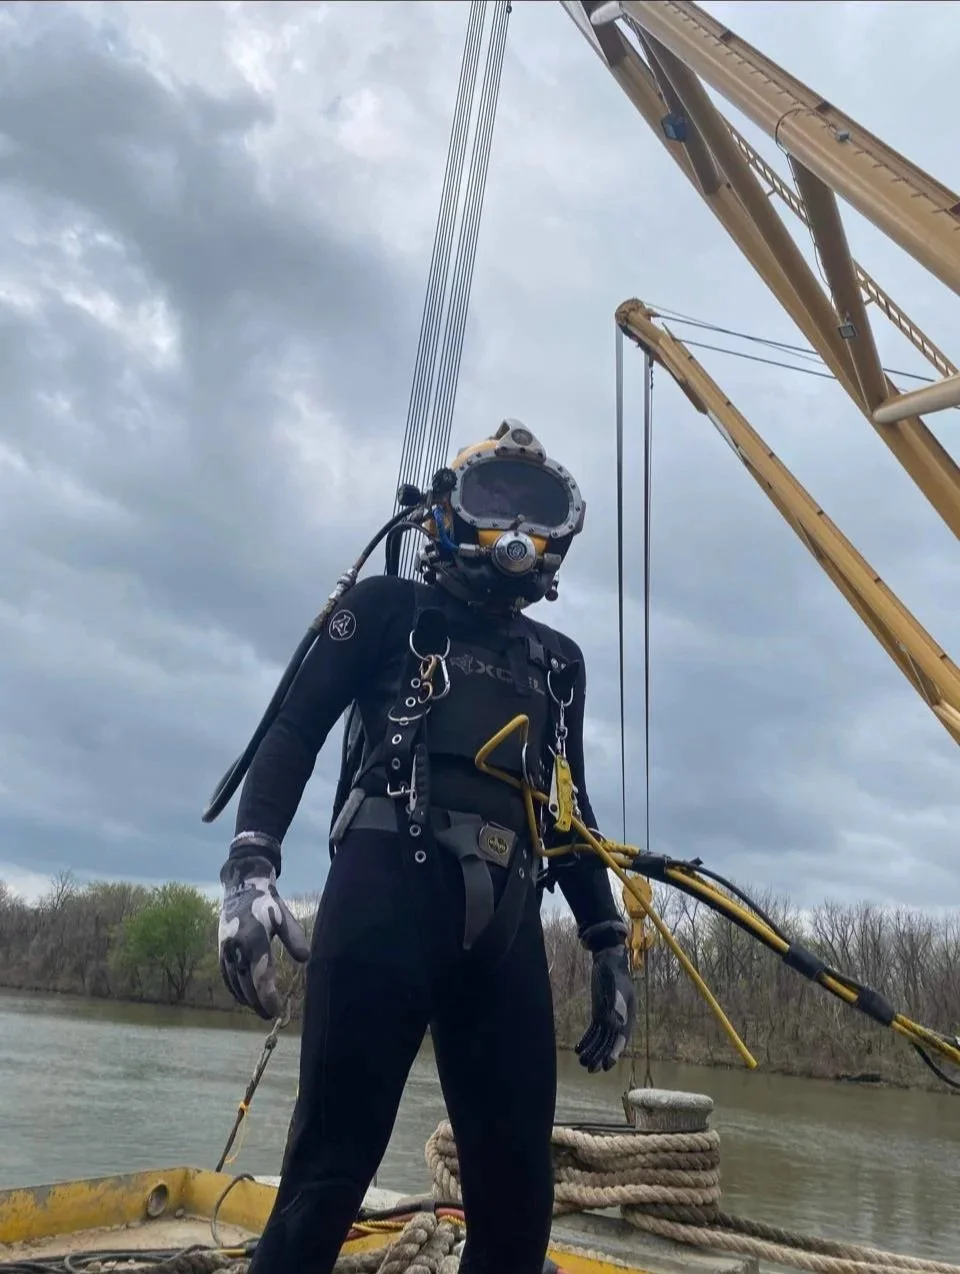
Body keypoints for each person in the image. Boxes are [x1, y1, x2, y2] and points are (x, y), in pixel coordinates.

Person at [216, 420, 637, 1274]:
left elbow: (568, 809)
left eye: (539, 512)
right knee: (326, 1177)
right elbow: (294, 727)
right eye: (494, 502)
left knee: (518, 1201)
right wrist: (251, 866)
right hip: (384, 901)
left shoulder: (558, 661)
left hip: (508, 926)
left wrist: (606, 938)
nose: (517, 532)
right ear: (442, 513)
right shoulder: (384, 609)